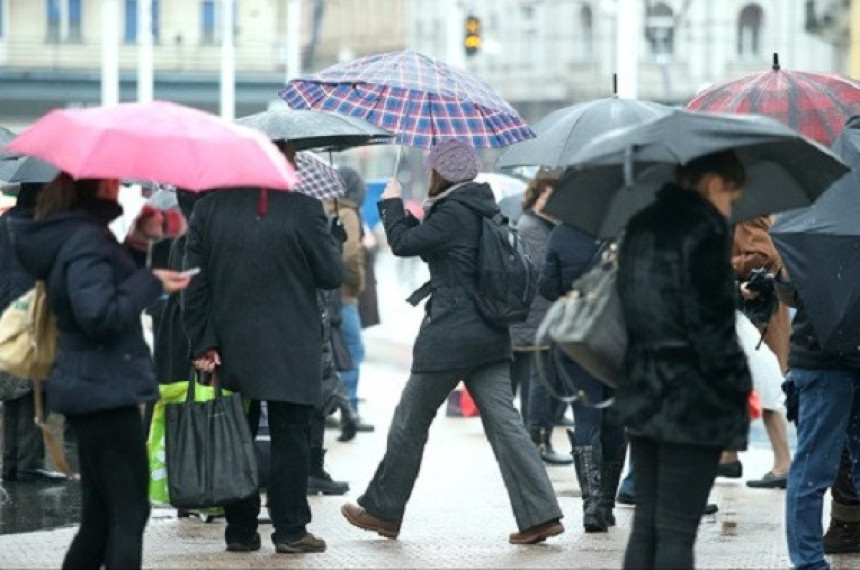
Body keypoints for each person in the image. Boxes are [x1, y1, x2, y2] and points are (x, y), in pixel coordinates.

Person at [340, 138, 564, 545]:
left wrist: (390, 203)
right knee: (506, 424)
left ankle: (383, 511)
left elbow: (405, 244)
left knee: (410, 421)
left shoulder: (453, 211)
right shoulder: (484, 209)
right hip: (490, 334)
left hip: (451, 336)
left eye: (431, 170)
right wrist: (412, 214)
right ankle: (540, 515)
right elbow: (427, 243)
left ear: (440, 173)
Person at [12, 173, 191, 570]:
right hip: (104, 389)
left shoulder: (80, 233)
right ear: (92, 187)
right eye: (110, 180)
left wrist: (139, 241)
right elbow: (98, 314)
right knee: (129, 512)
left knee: (99, 517)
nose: (116, 184)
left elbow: (104, 284)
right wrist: (149, 281)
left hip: (93, 386)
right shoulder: (84, 239)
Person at [182, 146, 345, 554]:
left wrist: (203, 340)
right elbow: (330, 274)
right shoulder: (304, 209)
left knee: (238, 432)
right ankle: (290, 530)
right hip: (290, 341)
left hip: (231, 343)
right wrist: (332, 238)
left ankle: (240, 530)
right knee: (292, 435)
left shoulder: (209, 209)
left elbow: (194, 283)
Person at [614, 151, 752, 569]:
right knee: (677, 533)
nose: (730, 208)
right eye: (731, 197)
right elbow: (709, 326)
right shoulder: (705, 231)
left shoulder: (641, 225)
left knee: (647, 528)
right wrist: (736, 385)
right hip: (692, 399)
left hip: (642, 388)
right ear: (713, 182)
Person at [539, 217, 627, 533]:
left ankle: (590, 506)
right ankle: (606, 505)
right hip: (620, 342)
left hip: (577, 342)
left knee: (586, 417)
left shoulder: (562, 233)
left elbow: (547, 287)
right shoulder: (630, 232)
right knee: (616, 420)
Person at [775, 266, 860, 570]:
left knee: (813, 466)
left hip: (824, 356)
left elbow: (788, 291)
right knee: (814, 467)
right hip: (823, 360)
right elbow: (788, 291)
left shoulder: (816, 221)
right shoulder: (815, 223)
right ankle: (808, 564)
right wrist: (786, 272)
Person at [717, 217, 791, 487]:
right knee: (736, 383)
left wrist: (725, 265)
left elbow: (763, 254)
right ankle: (728, 456)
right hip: (750, 311)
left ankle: (783, 463)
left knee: (766, 382)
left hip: (757, 313)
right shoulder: (741, 209)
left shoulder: (746, 211)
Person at [508, 172, 571, 465]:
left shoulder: (543, 225)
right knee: (541, 382)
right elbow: (543, 272)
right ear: (535, 196)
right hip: (535, 318)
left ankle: (535, 441)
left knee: (540, 381)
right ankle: (537, 442)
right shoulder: (532, 227)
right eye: (546, 195)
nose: (551, 201)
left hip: (537, 317)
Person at [1, 183, 47, 482]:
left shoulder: (3, 223)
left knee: (11, 390)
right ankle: (28, 464)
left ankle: (10, 463)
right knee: (31, 390)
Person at [326, 166, 374, 433]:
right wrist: (356, 285)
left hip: (326, 296)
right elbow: (351, 257)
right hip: (344, 295)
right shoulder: (348, 213)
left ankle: (331, 408)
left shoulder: (326, 207)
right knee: (353, 352)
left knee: (331, 353)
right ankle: (350, 410)